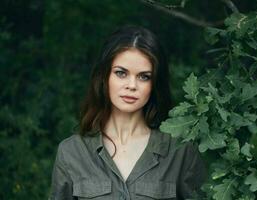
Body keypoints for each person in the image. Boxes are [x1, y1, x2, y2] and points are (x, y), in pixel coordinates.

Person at [49, 25, 205, 200]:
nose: (131, 85)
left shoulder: (180, 151)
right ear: (104, 76)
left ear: (154, 84)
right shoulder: (72, 151)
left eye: (143, 76)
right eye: (121, 73)